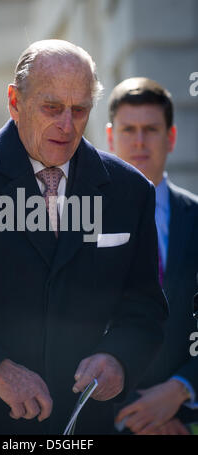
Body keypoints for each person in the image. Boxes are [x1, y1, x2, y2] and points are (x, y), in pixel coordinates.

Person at [0, 40, 167, 435]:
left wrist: (118, 359)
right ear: (14, 101)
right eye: (52, 108)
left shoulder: (130, 191)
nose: (67, 125)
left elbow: (145, 309)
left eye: (79, 110)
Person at [106, 77, 198, 435]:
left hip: (182, 422)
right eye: (129, 129)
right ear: (111, 137)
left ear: (171, 137)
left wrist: (179, 391)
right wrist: (136, 413)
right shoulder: (77, 219)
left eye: (151, 129)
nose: (140, 141)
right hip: (103, 421)